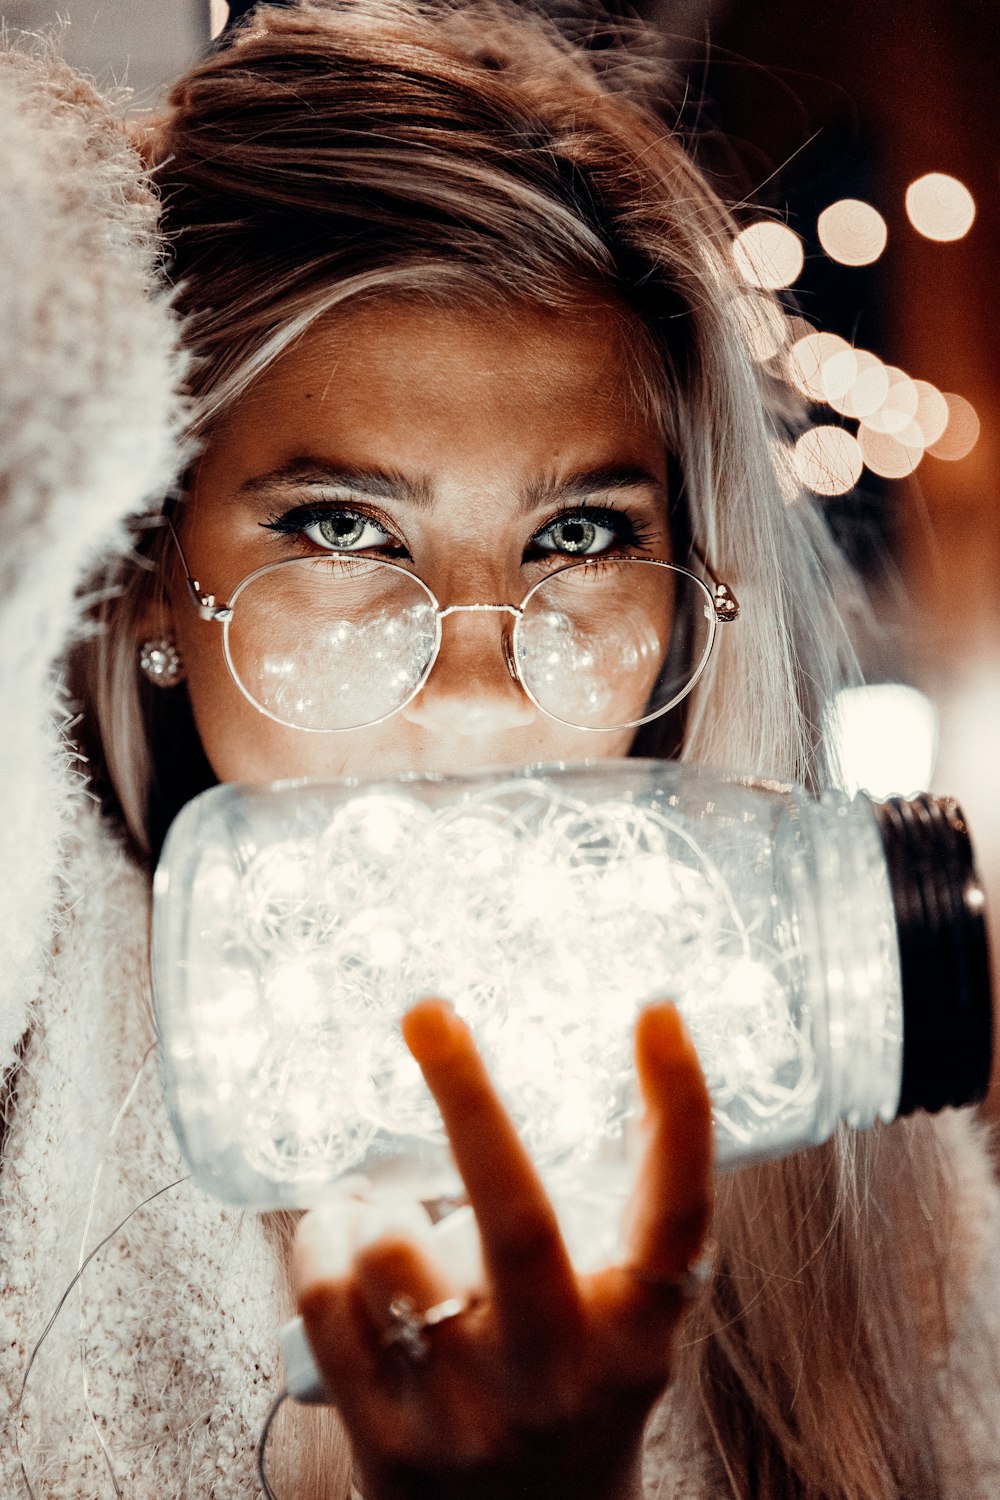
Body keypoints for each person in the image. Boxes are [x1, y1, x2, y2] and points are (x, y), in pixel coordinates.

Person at [1, 2, 998, 1497]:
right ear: (147, 568)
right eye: (343, 529)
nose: (475, 686)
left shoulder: (856, 1181)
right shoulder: (28, 1059)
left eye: (580, 537)